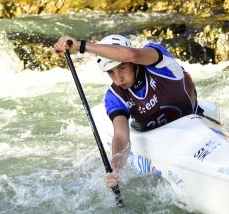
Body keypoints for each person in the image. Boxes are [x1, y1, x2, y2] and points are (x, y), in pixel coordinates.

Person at [53, 34, 200, 189]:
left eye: (122, 68)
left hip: (195, 127)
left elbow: (132, 54)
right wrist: (115, 169)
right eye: (111, 72)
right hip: (158, 139)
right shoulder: (114, 96)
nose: (118, 79)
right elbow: (121, 136)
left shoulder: (159, 62)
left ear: (132, 64)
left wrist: (80, 46)